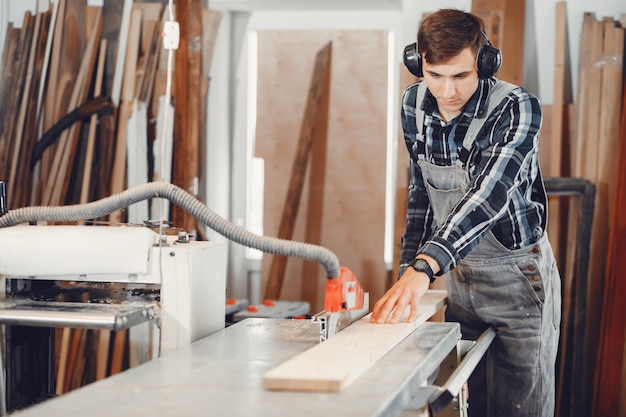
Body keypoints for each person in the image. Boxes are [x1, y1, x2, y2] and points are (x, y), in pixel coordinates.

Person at [370, 8, 561, 417]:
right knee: (460, 402)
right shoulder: (414, 105)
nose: (447, 91)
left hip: (517, 284)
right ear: (417, 61)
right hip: (457, 278)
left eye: (460, 76)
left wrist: (424, 269)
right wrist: (409, 274)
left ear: (485, 63)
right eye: (435, 75)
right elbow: (421, 194)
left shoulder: (516, 107)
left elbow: (487, 198)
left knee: (517, 407)